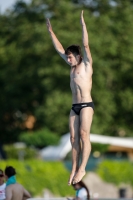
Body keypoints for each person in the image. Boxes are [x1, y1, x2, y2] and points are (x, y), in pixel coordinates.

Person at [46, 10, 94, 185]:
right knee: (73, 139)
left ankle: (82, 168)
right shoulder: (71, 67)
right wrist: (51, 32)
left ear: (78, 56)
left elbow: (86, 45)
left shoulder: (86, 65)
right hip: (74, 106)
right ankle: (74, 168)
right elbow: (58, 48)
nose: (68, 59)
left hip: (87, 105)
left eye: (70, 57)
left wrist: (83, 25)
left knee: (83, 135)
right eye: (67, 57)